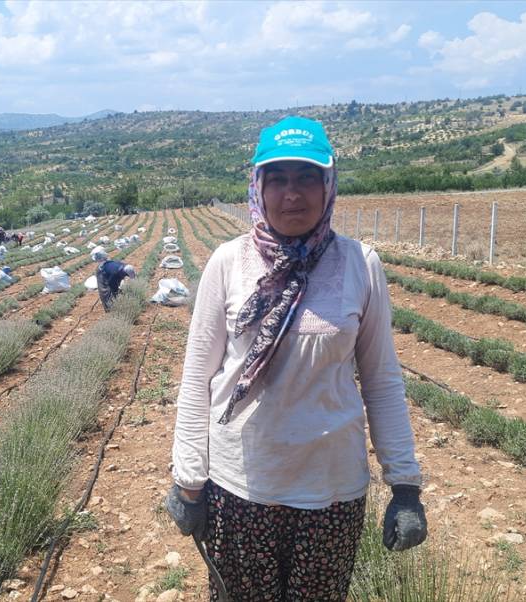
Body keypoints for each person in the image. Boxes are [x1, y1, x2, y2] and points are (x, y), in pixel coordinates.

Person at [166, 116, 427, 601]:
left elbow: (382, 380)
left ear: (328, 185)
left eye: (307, 177)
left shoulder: (358, 263)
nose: (293, 193)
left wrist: (405, 487)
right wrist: (188, 482)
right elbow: (197, 379)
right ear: (258, 187)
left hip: (331, 492)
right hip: (241, 487)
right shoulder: (229, 262)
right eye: (278, 178)